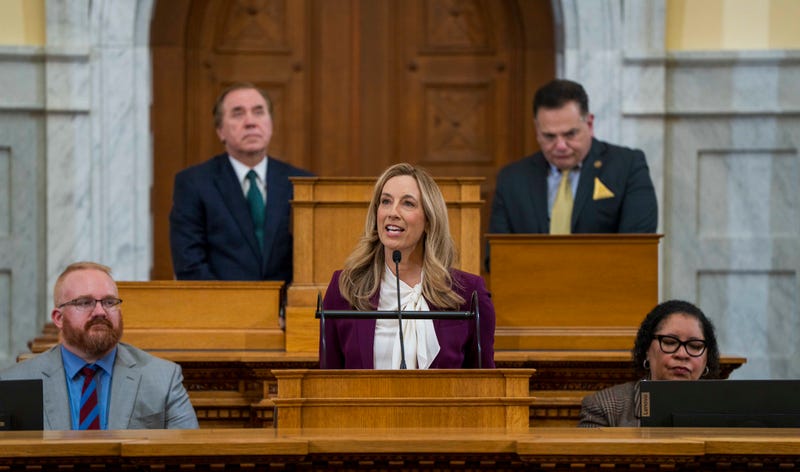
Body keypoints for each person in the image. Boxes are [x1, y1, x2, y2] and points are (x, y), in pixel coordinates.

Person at [320, 163, 495, 369]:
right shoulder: (345, 289)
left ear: (429, 220)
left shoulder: (467, 293)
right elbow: (327, 383)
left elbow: (484, 386)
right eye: (385, 201)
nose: (392, 212)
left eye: (408, 204)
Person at [0, 262, 199, 430]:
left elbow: (190, 457)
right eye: (85, 302)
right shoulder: (14, 382)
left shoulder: (162, 378)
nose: (100, 311)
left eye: (109, 302)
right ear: (59, 318)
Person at [169, 82, 313, 282]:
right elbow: (189, 264)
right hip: (222, 309)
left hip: (289, 310)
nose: (250, 122)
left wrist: (287, 310)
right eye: (238, 113)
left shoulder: (302, 183)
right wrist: (231, 309)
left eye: (258, 112)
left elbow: (312, 261)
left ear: (270, 123)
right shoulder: (194, 183)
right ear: (220, 130)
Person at [488, 78, 657, 238]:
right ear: (537, 130)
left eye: (570, 134)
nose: (560, 146)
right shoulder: (512, 179)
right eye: (549, 136)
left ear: (589, 124)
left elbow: (638, 248)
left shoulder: (627, 167)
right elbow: (496, 257)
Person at [578, 299, 721, 428]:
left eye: (695, 346)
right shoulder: (605, 407)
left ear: (706, 357)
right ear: (647, 348)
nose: (682, 354)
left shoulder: (723, 408)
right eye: (670, 343)